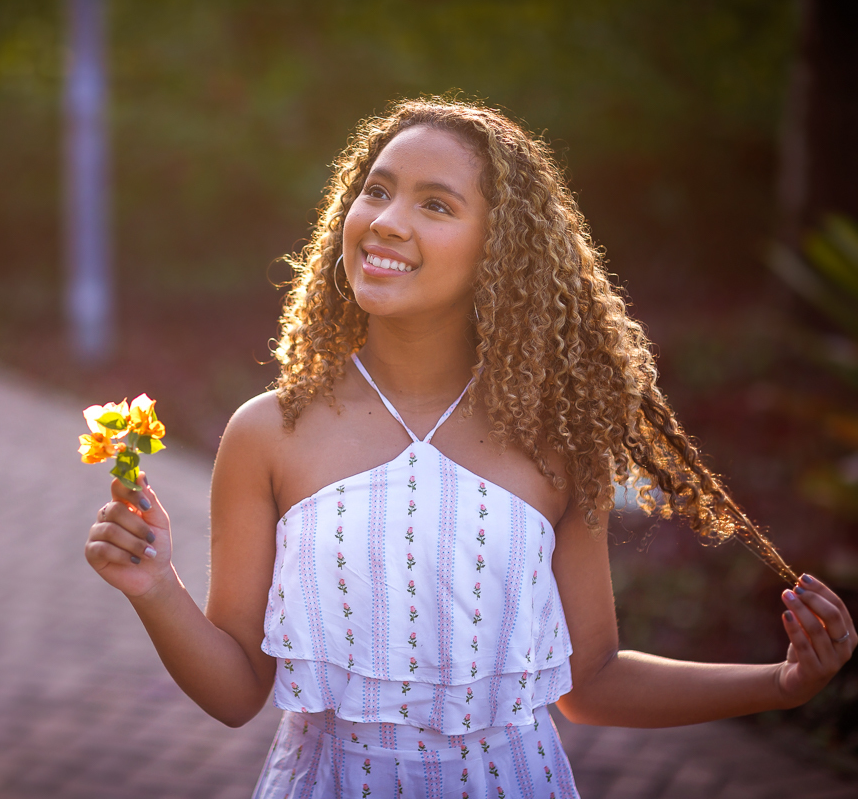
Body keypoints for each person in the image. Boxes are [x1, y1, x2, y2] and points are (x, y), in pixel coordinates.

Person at [83, 98, 855, 798]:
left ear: (500, 252)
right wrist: (155, 588)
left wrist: (781, 685)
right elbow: (236, 691)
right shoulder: (266, 432)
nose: (386, 220)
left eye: (436, 204)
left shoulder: (554, 445)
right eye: (376, 190)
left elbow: (591, 683)